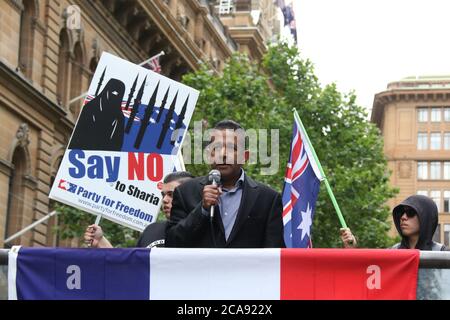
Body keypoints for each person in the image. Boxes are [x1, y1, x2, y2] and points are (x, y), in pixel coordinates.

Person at [165, 120, 285, 248]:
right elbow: (172, 242)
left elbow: (275, 255)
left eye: (231, 148)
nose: (222, 154)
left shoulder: (268, 199)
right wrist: (203, 210)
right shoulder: (185, 192)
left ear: (245, 156)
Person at [84, 171, 193, 248]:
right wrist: (100, 242)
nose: (164, 200)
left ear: (189, 195)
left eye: (171, 194)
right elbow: (131, 270)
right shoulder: (152, 230)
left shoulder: (205, 230)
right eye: (163, 195)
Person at [340, 194, 448, 251]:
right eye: (402, 213)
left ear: (425, 217)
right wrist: (351, 249)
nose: (403, 217)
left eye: (410, 212)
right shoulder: (392, 252)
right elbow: (367, 272)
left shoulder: (441, 253)